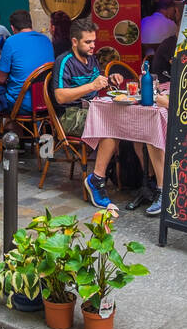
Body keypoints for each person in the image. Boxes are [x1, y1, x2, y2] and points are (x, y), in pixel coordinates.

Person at [53, 19, 135, 215]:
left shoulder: (92, 59)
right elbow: (60, 96)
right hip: (70, 114)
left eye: (93, 42)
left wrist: (111, 81)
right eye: (87, 42)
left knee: (126, 118)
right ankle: (96, 179)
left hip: (92, 110)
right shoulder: (64, 61)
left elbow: (97, 86)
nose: (92, 46)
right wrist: (91, 86)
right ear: (74, 41)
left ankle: (132, 177)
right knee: (111, 127)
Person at [0, 9, 54, 160]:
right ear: (30, 24)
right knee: (14, 90)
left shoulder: (12, 41)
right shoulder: (45, 40)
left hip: (20, 104)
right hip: (43, 102)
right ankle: (15, 141)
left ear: (12, 28)